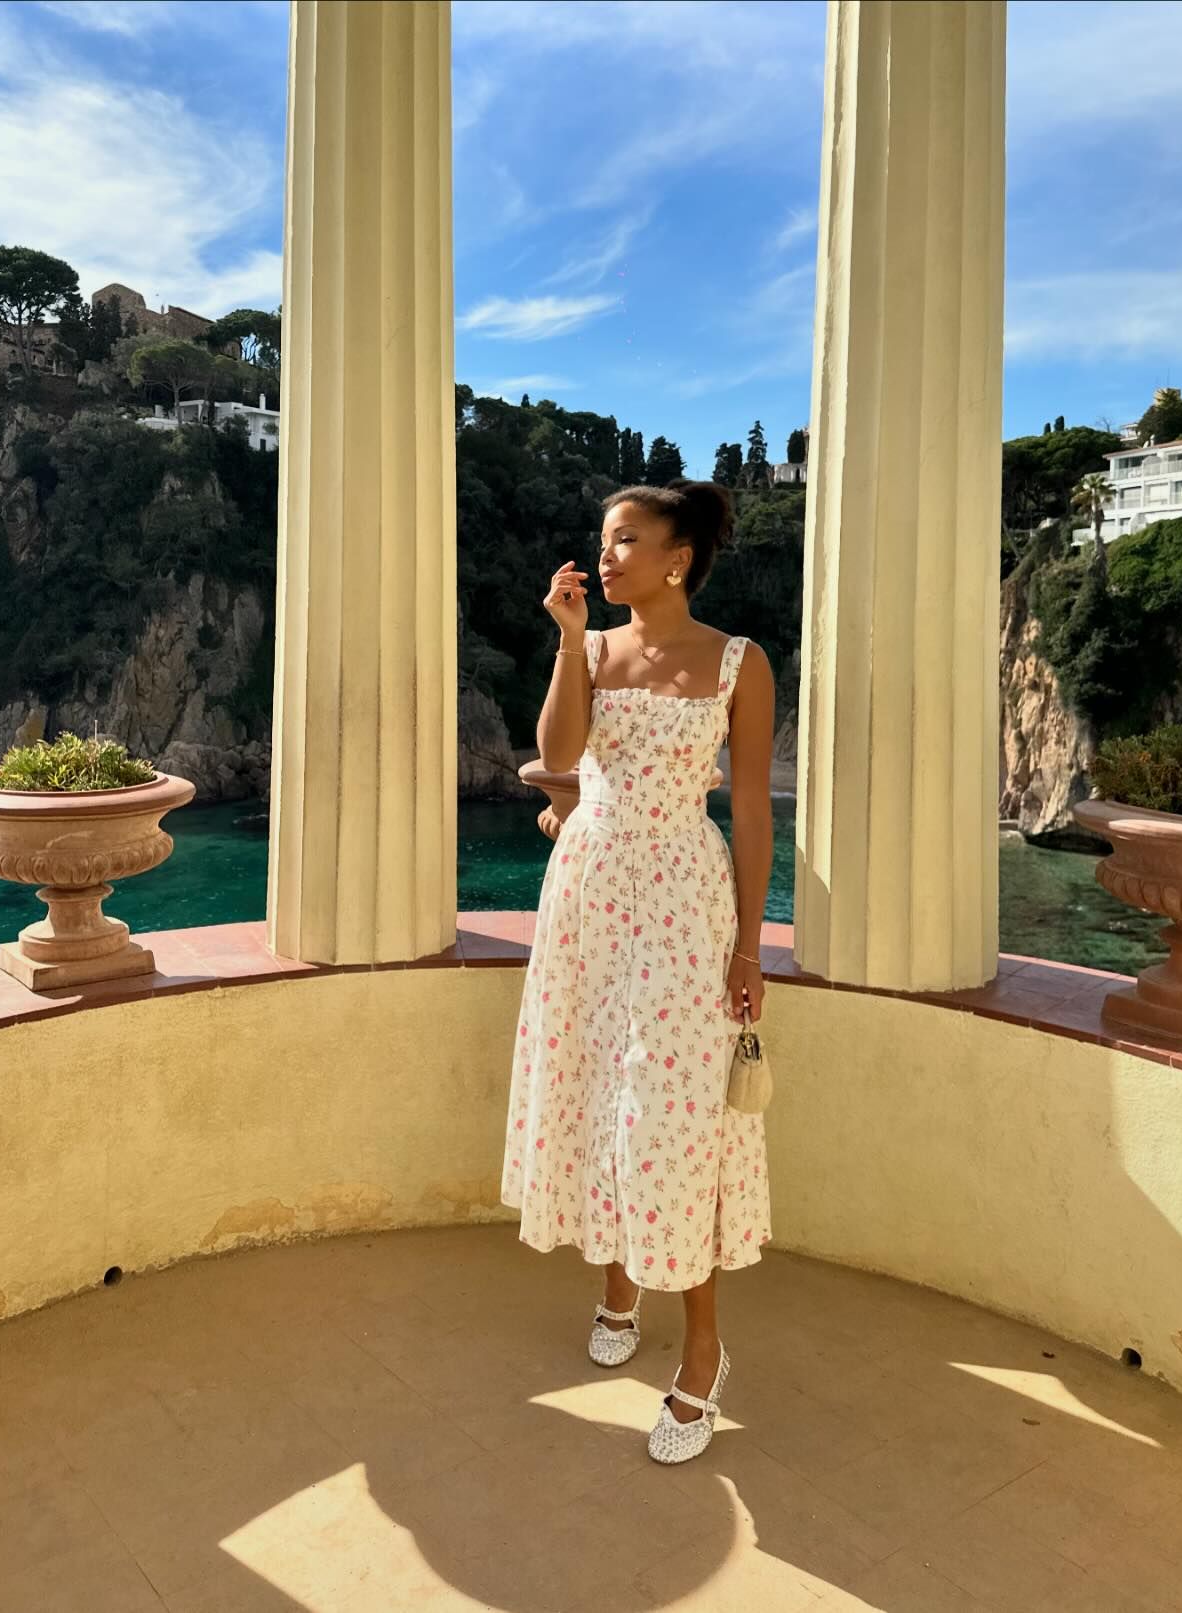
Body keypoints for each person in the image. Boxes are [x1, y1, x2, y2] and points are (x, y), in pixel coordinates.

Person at [499, 477, 774, 1465]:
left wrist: (748, 944)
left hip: (683, 907)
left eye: (627, 541)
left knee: (674, 1114)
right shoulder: (597, 650)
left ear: (679, 558)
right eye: (602, 540)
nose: (605, 556)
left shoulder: (738, 662)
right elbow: (559, 751)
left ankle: (703, 1347)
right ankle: (618, 1282)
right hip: (588, 899)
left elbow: (750, 809)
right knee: (593, 1095)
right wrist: (570, 640)